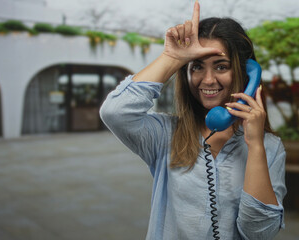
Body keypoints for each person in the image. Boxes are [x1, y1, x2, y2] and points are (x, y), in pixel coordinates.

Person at [100, 2, 286, 239]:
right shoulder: (164, 135)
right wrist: (172, 57)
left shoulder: (270, 147)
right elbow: (115, 111)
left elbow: (259, 232)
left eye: (221, 66)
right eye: (197, 67)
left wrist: (256, 146)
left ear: (246, 74)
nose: (208, 80)